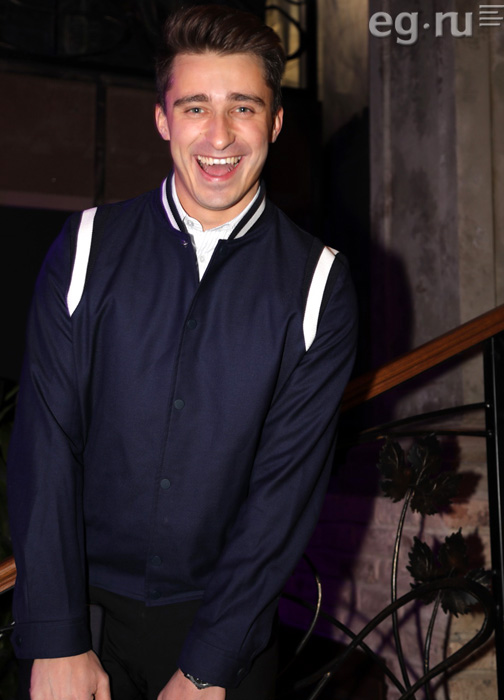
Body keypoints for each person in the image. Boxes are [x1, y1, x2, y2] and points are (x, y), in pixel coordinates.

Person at [7, 5, 357, 700]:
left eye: (243, 108)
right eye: (195, 107)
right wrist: (56, 636)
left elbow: (282, 495)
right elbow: (44, 442)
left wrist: (209, 664)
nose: (219, 136)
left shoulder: (320, 281)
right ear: (163, 119)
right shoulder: (86, 246)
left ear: (275, 122)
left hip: (222, 628)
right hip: (83, 611)